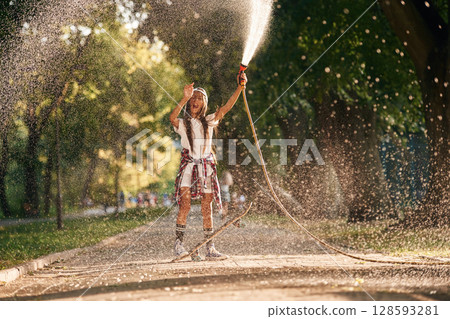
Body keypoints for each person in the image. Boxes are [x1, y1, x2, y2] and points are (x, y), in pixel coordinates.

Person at [170, 73, 247, 261]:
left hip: (206, 167)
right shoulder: (183, 123)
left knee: (207, 207)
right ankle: (179, 245)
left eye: (199, 98)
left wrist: (240, 87)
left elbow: (227, 107)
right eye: (193, 98)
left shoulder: (210, 120)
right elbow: (172, 117)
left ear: (204, 104)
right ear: (189, 102)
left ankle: (210, 247)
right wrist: (184, 97)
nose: (196, 100)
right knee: (185, 204)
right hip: (188, 167)